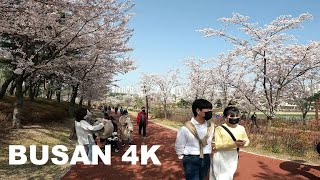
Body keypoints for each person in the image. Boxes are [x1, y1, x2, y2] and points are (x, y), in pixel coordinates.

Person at [175, 99, 215, 180]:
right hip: (191, 159)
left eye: (210, 109)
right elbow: (179, 145)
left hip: (206, 157)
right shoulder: (185, 128)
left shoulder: (211, 127)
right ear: (198, 110)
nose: (210, 111)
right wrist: (183, 157)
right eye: (207, 109)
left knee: (202, 178)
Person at [209, 105, 250, 180]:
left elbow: (247, 141)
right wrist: (234, 144)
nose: (235, 118)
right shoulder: (219, 129)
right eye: (232, 116)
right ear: (225, 117)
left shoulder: (241, 128)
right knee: (220, 177)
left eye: (237, 116)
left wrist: (244, 143)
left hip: (233, 156)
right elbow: (217, 145)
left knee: (229, 176)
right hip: (220, 156)